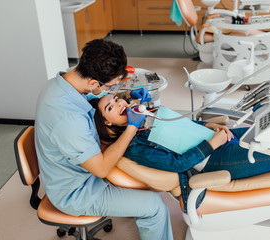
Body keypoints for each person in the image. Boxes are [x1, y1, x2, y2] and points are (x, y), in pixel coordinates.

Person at [35, 39, 174, 240]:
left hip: (68, 171)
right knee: (154, 206)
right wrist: (132, 127)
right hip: (77, 192)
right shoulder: (67, 118)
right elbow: (100, 168)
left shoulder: (63, 82)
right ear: (93, 82)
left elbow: (95, 98)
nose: (113, 91)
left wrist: (124, 93)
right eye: (110, 85)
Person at [91, 93, 270, 184]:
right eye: (110, 107)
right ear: (106, 122)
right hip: (215, 159)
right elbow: (177, 164)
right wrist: (213, 143)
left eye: (116, 99)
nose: (119, 104)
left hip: (217, 139)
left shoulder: (144, 121)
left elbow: (181, 128)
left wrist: (206, 126)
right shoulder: (133, 146)